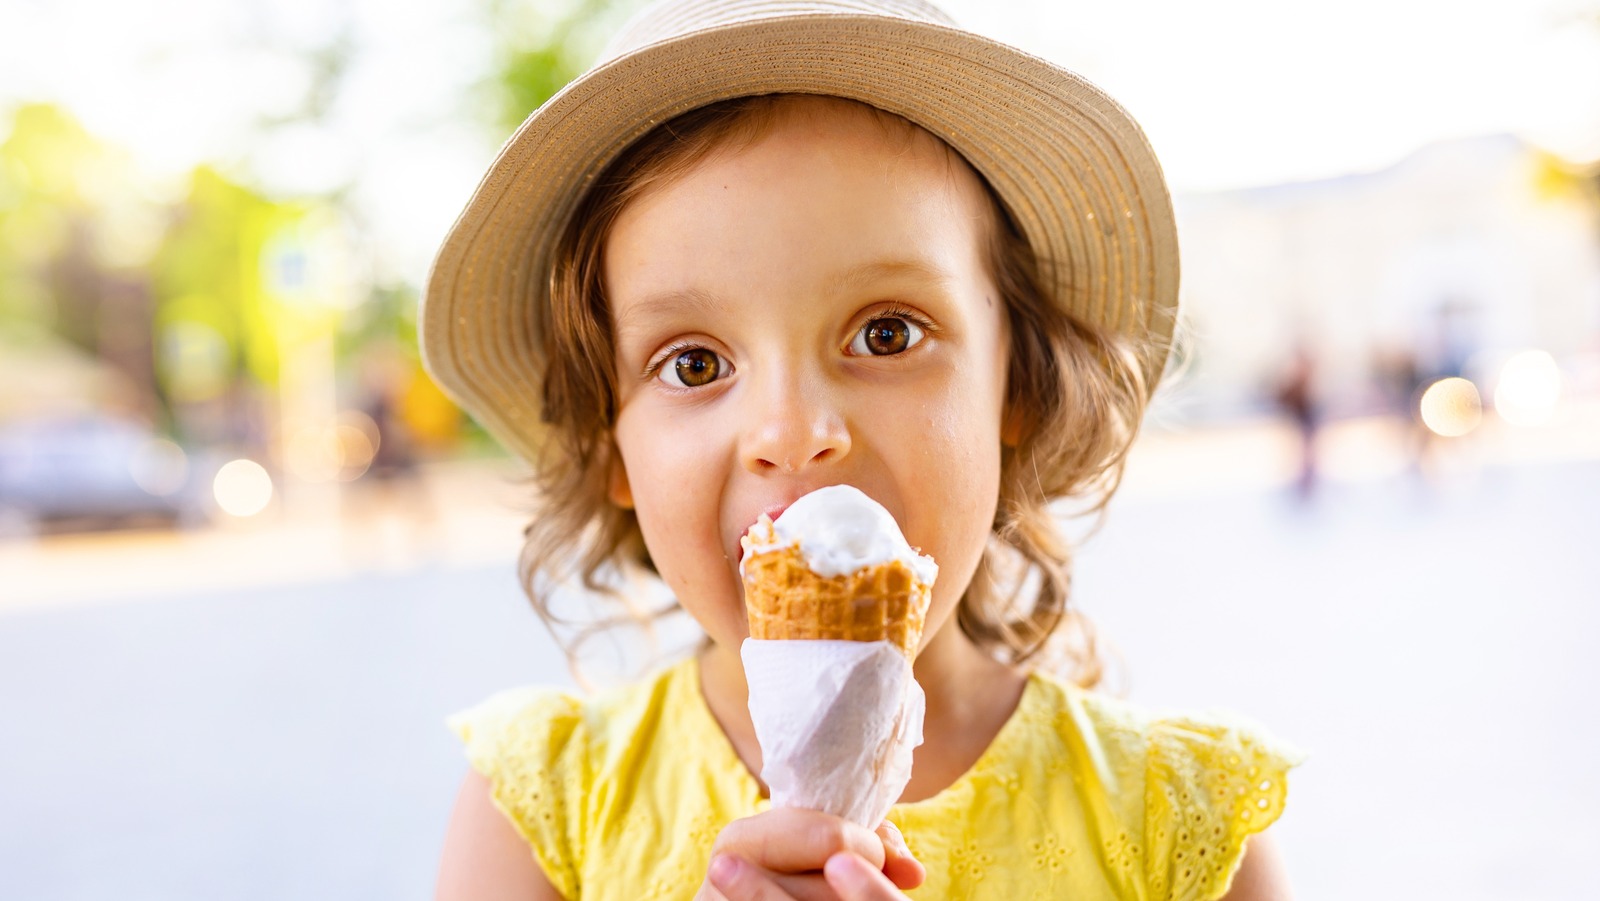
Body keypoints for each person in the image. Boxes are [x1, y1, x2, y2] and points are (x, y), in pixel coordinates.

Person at [425, 1, 1304, 898]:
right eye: (694, 362)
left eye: (887, 334)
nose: (793, 431)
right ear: (608, 444)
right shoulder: (538, 815)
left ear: (1020, 385)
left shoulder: (1181, 829)